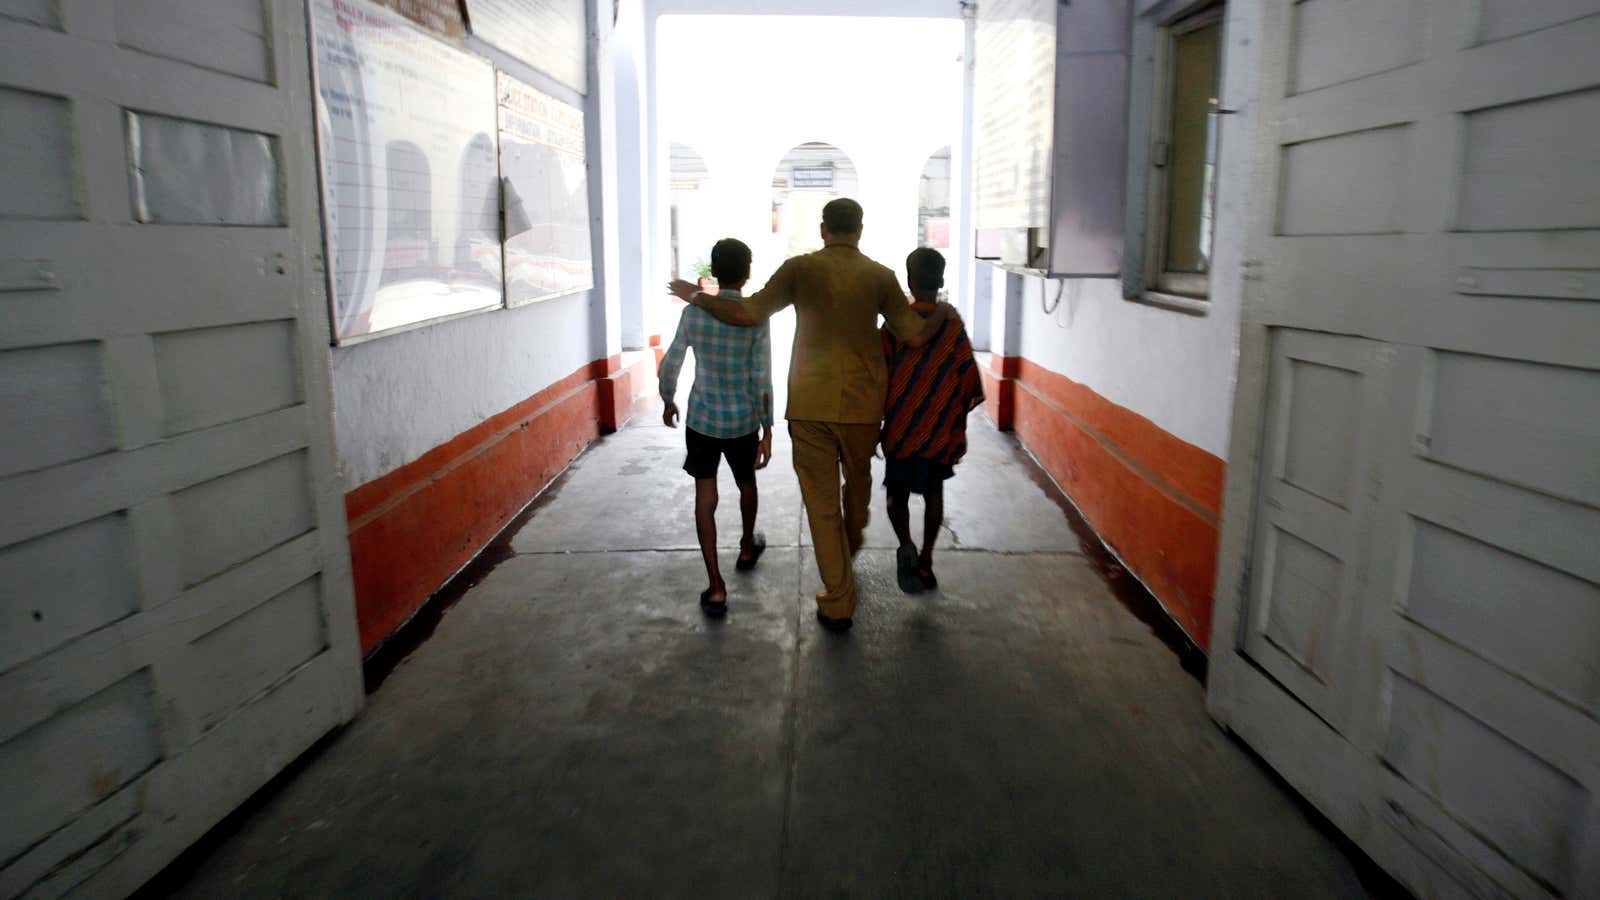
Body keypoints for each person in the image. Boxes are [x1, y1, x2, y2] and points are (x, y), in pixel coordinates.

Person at [669, 199, 953, 632]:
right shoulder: (880, 277)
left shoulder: (799, 270)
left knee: (823, 506)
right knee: (856, 496)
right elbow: (914, 337)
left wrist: (697, 297)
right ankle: (842, 570)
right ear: (860, 229)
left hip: (809, 406)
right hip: (862, 409)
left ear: (823, 229)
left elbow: (746, 313)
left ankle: (839, 595)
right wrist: (943, 315)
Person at [658, 238, 774, 617]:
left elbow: (672, 359)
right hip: (742, 420)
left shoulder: (694, 314)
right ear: (747, 273)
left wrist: (667, 397)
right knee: (747, 482)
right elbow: (762, 376)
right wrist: (768, 427)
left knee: (704, 496)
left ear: (714, 271)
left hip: (704, 420)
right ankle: (745, 545)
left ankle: (716, 586)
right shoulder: (755, 314)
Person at [881, 248, 985, 594]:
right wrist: (952, 415)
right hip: (939, 429)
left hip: (899, 429)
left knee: (896, 495)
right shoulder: (953, 327)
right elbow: (968, 379)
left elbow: (878, 374)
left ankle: (905, 545)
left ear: (909, 281)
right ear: (940, 281)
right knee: (933, 494)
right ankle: (925, 560)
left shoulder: (895, 325)